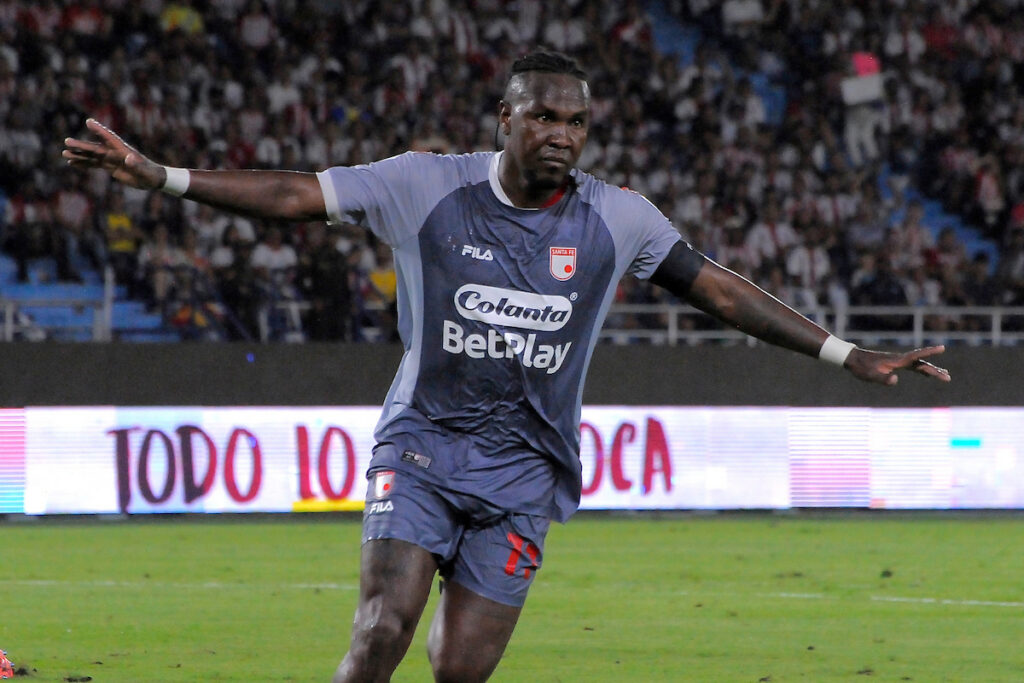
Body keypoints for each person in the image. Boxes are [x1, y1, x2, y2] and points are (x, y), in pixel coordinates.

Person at [63, 50, 950, 683]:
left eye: (577, 121)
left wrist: (847, 353)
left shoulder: (620, 217)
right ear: (507, 118)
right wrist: (165, 177)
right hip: (421, 447)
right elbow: (301, 193)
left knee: (459, 666)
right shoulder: (425, 183)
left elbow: (716, 290)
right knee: (381, 630)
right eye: (545, 116)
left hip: (528, 471)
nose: (563, 134)